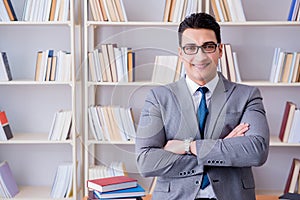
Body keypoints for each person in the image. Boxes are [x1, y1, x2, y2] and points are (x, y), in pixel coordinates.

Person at [135, 12, 269, 200]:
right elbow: (146, 163)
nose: (200, 56)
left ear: (220, 50)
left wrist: (187, 146)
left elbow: (256, 151)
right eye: (191, 48)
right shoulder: (158, 98)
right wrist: (224, 146)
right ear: (181, 53)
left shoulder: (247, 96)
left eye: (208, 46)